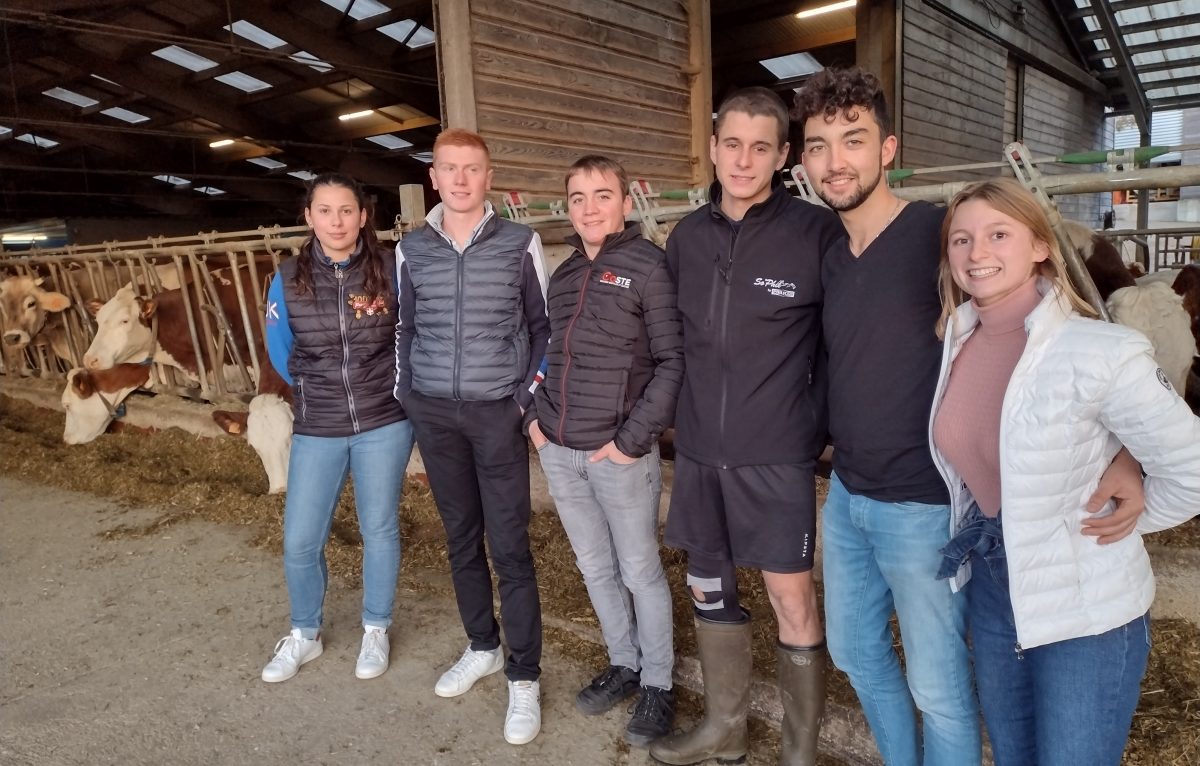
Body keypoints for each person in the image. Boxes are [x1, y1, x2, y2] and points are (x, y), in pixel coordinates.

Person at [794, 67, 1147, 766]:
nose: (836, 161)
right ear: (803, 160)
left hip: (927, 506)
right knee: (854, 654)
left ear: (887, 149)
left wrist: (1122, 450)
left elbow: (1052, 328)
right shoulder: (830, 255)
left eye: (853, 140)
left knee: (939, 687)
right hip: (847, 496)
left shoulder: (940, 234)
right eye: (818, 145)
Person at [931, 177, 1200, 765]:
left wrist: (1124, 515)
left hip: (1086, 605)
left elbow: (1192, 464)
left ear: (1040, 247)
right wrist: (1123, 457)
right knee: (1013, 755)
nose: (977, 253)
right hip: (994, 583)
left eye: (998, 234)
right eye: (961, 239)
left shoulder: (1098, 349)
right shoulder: (957, 341)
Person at [650, 87, 841, 766]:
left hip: (776, 454)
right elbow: (668, 338)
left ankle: (798, 751)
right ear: (712, 147)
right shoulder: (688, 237)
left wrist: (821, 427)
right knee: (708, 585)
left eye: (761, 147)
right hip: (700, 451)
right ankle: (723, 730)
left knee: (790, 594)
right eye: (732, 143)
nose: (744, 159)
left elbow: (840, 342)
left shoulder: (815, 234)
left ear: (783, 156)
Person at [394, 128, 550, 746]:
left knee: (509, 543)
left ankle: (525, 676)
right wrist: (409, 394)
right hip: (435, 413)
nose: (460, 179)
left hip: (495, 414)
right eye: (449, 168)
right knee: (460, 536)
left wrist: (521, 400)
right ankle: (482, 646)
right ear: (434, 176)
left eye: (472, 169)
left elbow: (543, 329)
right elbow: (403, 328)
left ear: (489, 178)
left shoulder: (521, 242)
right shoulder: (411, 248)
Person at [526, 155, 683, 747]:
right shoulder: (563, 274)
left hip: (616, 454)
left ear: (624, 202)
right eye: (577, 197)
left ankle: (660, 683)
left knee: (640, 569)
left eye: (601, 195)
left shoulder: (649, 268)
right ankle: (625, 663)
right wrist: (533, 420)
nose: (589, 207)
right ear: (567, 207)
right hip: (558, 450)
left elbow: (673, 362)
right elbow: (546, 354)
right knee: (594, 566)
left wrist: (629, 441)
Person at [260, 172, 415, 684]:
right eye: (324, 210)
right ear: (308, 218)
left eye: (346, 210)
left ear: (363, 216)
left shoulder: (390, 269)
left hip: (382, 422)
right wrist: (310, 390)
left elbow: (409, 335)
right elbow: (282, 353)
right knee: (300, 540)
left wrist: (395, 391)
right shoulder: (286, 277)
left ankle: (376, 626)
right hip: (318, 424)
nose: (336, 220)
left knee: (379, 528)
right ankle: (305, 633)